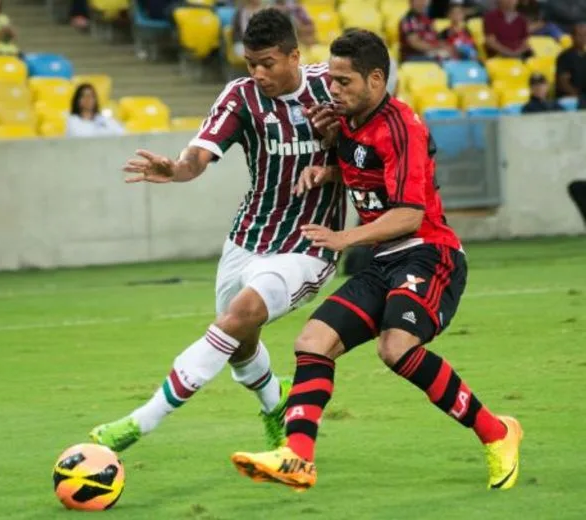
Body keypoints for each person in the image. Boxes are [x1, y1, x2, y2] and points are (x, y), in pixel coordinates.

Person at [230, 29, 522, 492]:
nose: (334, 89)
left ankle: (497, 432)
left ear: (375, 79)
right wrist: (326, 170)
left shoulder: (402, 126)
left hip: (430, 255)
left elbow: (409, 215)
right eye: (331, 79)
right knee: (312, 341)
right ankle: (297, 457)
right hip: (384, 261)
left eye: (344, 81)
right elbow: (362, 170)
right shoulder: (344, 120)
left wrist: (343, 237)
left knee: (396, 347)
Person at [89, 8, 345, 453]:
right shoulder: (241, 97)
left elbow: (375, 147)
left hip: (309, 243)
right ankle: (273, 404)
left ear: (294, 56)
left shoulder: (332, 86)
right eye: (251, 64)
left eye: (268, 63)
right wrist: (176, 168)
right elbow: (197, 159)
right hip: (248, 238)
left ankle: (140, 421)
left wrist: (336, 151)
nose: (259, 73)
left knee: (235, 319)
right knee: (240, 343)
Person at [556, 21, 586, 109]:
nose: (583, 38)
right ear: (572, 37)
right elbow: (563, 83)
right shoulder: (565, 57)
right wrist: (579, 96)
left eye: (585, 35)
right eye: (580, 35)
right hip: (570, 97)